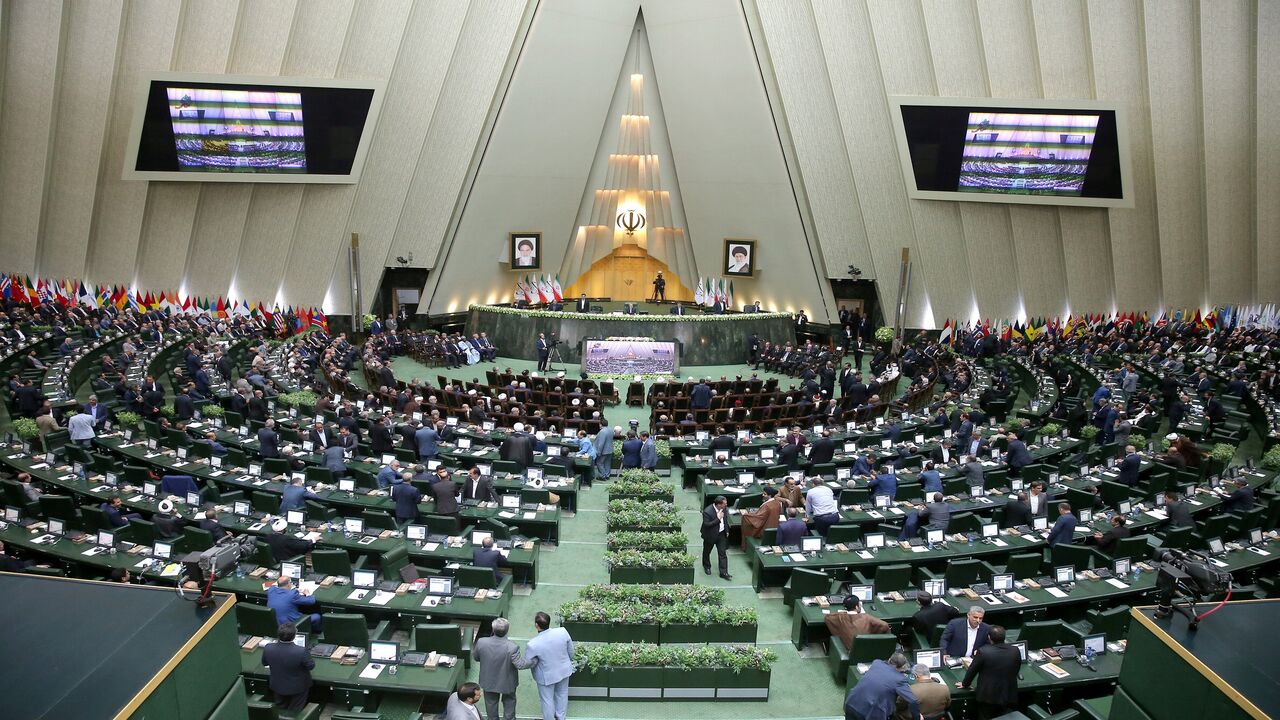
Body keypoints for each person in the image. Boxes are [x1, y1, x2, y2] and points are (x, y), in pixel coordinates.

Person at [512, 612, 574, 720]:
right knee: (562, 694)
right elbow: (571, 652)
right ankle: (561, 717)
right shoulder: (562, 632)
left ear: (536, 625)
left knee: (547, 700)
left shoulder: (533, 644)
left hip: (546, 676)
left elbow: (528, 661)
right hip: (564, 670)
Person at [956, 625, 1020, 719]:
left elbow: (972, 670)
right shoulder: (1015, 650)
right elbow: (1016, 668)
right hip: (1007, 692)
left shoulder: (983, 651)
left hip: (988, 695)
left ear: (989, 637)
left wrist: (965, 684)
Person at [844, 652, 919, 720]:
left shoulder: (876, 663)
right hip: (869, 714)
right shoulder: (900, 679)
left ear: (889, 659)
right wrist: (917, 718)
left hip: (852, 703)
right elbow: (913, 701)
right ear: (902, 668)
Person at [473, 617, 519, 720]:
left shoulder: (481, 642)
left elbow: (476, 658)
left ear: (493, 630)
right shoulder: (513, 647)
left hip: (488, 680)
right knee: (509, 701)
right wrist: (533, 661)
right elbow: (519, 664)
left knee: (491, 704)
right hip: (508, 681)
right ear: (507, 630)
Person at [262, 623, 315, 711]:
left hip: (277, 686)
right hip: (298, 688)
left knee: (280, 710)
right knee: (295, 712)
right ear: (294, 636)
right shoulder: (301, 651)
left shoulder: (268, 648)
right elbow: (311, 666)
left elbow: (264, 663)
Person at [824, 595, 891, 651]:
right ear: (856, 607)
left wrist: (842, 613)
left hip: (848, 651)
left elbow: (827, 617)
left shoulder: (839, 617)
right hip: (867, 649)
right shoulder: (866, 617)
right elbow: (885, 625)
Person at [701, 495, 732, 579]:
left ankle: (723, 572)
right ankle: (707, 566)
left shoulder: (724, 508)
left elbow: (725, 519)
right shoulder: (707, 511)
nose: (726, 505)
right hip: (710, 535)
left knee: (722, 553)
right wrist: (718, 519)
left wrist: (727, 530)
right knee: (707, 552)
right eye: (724, 504)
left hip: (721, 534)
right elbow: (707, 525)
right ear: (718, 504)